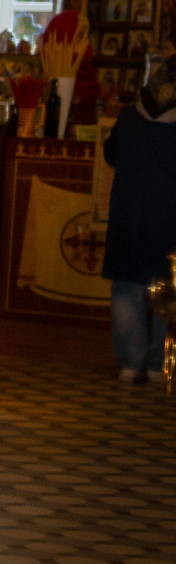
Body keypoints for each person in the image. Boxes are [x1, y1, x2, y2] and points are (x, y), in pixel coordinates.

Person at [104, 53, 176, 381]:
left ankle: (130, 365)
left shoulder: (130, 117)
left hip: (128, 215)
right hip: (170, 219)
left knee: (126, 287)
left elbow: (111, 154)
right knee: (169, 290)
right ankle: (159, 364)